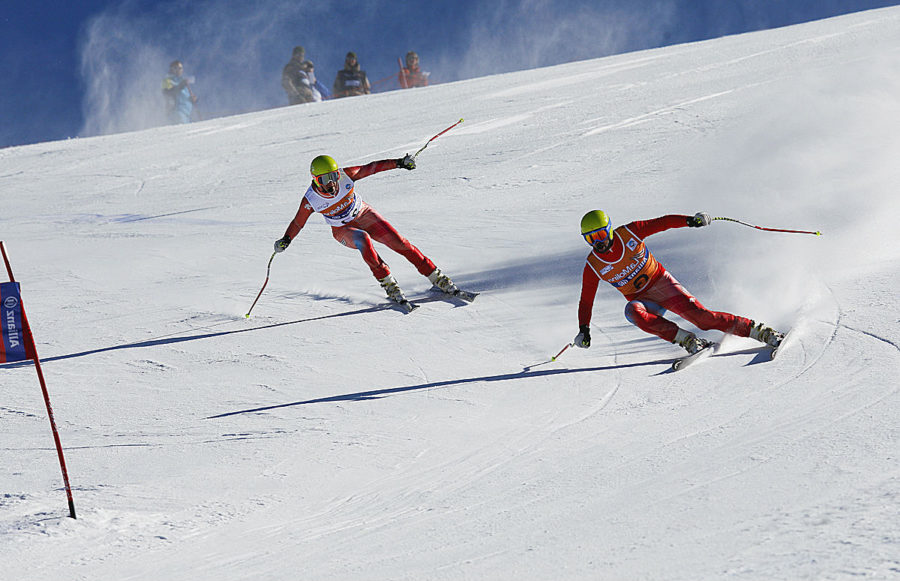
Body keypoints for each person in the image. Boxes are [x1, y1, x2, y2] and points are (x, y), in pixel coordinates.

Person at [574, 210, 784, 355]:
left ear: (609, 230)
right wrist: (584, 329)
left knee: (703, 319)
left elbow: (663, 223)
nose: (598, 243)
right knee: (632, 312)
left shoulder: (629, 233)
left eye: (601, 235)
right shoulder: (594, 265)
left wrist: (690, 221)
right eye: (591, 239)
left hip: (662, 284)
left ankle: (761, 332)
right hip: (644, 301)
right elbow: (586, 300)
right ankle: (689, 341)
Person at [274, 154, 460, 306]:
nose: (331, 183)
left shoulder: (346, 175)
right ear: (316, 180)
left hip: (363, 214)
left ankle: (437, 277)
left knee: (399, 242)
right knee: (363, 240)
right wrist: (286, 239)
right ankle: (389, 284)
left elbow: (371, 168)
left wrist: (399, 163)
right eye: (325, 179)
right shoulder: (311, 199)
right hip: (342, 228)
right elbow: (298, 223)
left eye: (334, 176)